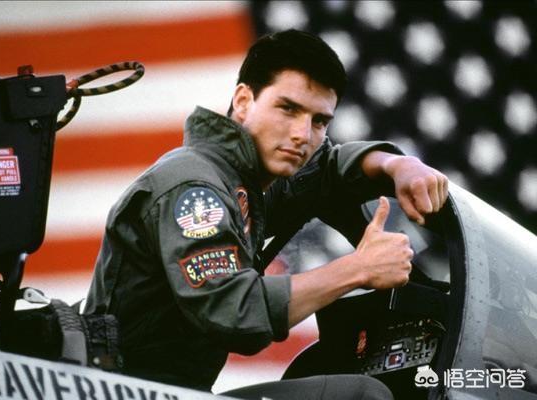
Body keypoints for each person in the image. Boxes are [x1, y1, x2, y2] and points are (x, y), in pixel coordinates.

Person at [83, 29, 448, 399]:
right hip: (128, 392)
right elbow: (235, 312)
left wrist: (399, 164)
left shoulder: (247, 179)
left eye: (319, 121)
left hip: (173, 391)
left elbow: (328, 169)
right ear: (244, 100)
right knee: (361, 396)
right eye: (288, 109)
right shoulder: (196, 190)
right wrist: (358, 269)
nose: (302, 134)